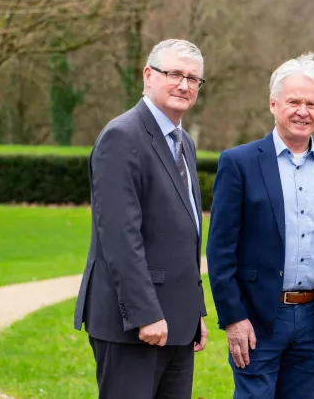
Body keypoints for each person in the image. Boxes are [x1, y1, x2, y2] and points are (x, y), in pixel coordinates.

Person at [206, 52, 314, 399]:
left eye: (311, 103)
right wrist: (233, 318)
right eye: (293, 102)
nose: (303, 111)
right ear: (273, 104)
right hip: (256, 319)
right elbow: (220, 251)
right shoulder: (239, 163)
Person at [73, 39, 209, 398]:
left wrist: (195, 311)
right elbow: (119, 237)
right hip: (133, 325)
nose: (184, 84)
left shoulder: (183, 143)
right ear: (148, 75)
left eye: (193, 78)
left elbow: (183, 233)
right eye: (174, 74)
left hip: (177, 324)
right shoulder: (122, 136)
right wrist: (145, 314)